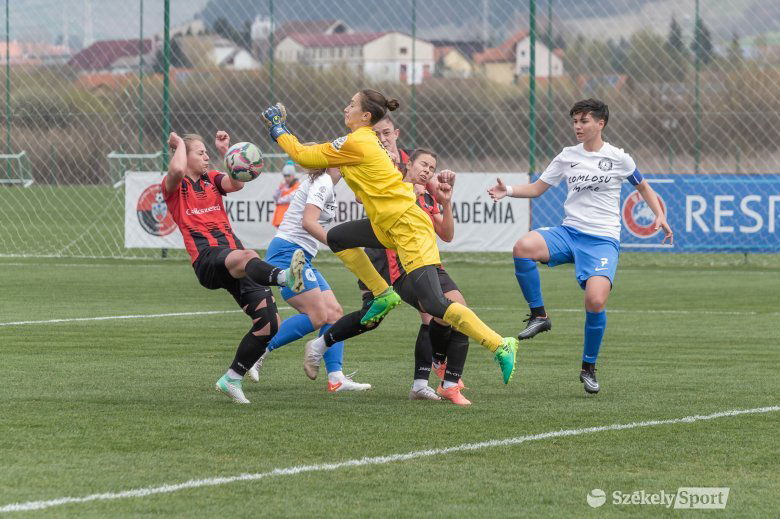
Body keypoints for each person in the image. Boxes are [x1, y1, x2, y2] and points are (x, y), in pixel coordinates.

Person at [260, 89, 519, 385]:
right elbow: (322, 164)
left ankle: (500, 344)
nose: (346, 108)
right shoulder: (362, 142)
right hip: (388, 224)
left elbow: (303, 155)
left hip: (407, 226)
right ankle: (382, 294)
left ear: (365, 116)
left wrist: (277, 128)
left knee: (435, 305)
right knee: (339, 238)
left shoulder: (358, 141)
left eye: (352, 104)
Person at [488, 98, 673, 394]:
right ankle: (539, 316)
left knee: (595, 301)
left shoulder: (619, 158)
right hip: (569, 232)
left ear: (601, 123)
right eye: (575, 121)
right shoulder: (567, 156)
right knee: (523, 246)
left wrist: (659, 215)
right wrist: (507, 190)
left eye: (584, 121)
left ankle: (588, 366)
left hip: (602, 241)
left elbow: (643, 187)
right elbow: (537, 188)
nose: (578, 126)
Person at [162, 130, 305, 404]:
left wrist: (227, 153)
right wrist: (179, 143)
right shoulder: (173, 185)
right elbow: (177, 167)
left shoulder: (211, 178)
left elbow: (236, 183)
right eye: (200, 152)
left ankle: (232, 378)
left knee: (269, 325)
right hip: (207, 259)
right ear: (184, 155)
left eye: (206, 152)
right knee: (246, 255)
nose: (205, 156)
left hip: (233, 257)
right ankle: (285, 277)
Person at [359, 148, 472, 405]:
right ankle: (437, 368)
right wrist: (410, 194)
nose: (427, 171)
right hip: (405, 270)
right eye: (423, 165)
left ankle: (449, 383)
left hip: (431, 265)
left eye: (432, 168)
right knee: (438, 313)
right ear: (408, 165)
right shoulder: (395, 189)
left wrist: (445, 202)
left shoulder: (428, 198)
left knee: (462, 313)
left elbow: (447, 234)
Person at [246, 163, 371, 393]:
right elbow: (308, 221)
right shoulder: (322, 181)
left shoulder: (324, 183)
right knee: (317, 315)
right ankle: (255, 353)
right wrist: (338, 244)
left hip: (301, 255)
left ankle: (336, 378)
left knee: (333, 313)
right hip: (288, 253)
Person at [271, 160, 300, 227]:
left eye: (288, 176)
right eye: (285, 176)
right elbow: (275, 197)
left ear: (293, 175)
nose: (286, 178)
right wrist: (279, 188)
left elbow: (291, 197)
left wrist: (279, 201)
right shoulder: (283, 185)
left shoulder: (297, 185)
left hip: (290, 217)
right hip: (280, 216)